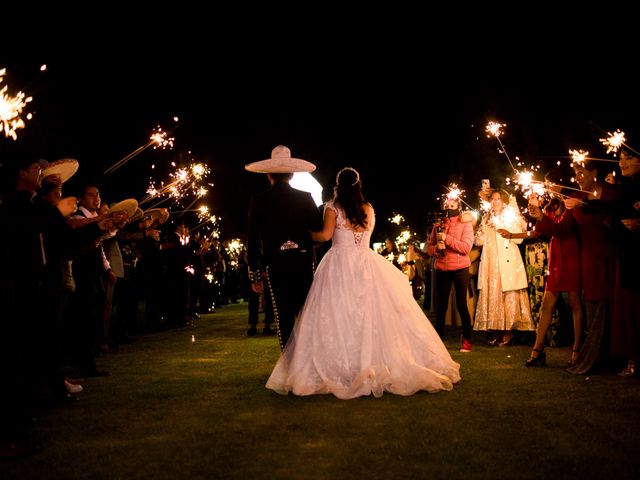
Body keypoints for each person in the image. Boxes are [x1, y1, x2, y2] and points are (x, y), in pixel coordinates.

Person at [265, 167, 460, 399]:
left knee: (339, 314)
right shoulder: (368, 208)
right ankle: (371, 361)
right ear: (359, 186)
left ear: (338, 186)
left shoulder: (333, 207)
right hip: (367, 262)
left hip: (338, 263)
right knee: (370, 314)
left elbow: (325, 236)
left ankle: (345, 365)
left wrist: (300, 234)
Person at [245, 145, 324, 351]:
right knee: (308, 313)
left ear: (269, 174)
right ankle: (310, 362)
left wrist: (254, 273)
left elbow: (252, 239)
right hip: (303, 262)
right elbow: (318, 231)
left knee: (283, 315)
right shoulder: (305, 197)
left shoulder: (259, 200)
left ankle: (289, 365)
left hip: (275, 263)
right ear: (291, 174)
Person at [473, 189, 535, 346]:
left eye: (499, 199)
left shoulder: (510, 216)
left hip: (507, 262)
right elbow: (478, 242)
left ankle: (509, 332)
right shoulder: (487, 217)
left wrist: (500, 224)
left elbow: (519, 237)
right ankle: (498, 330)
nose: (495, 202)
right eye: (493, 199)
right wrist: (481, 228)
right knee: (496, 296)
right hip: (490, 263)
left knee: (508, 295)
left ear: (504, 202)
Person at [426, 195, 475, 352]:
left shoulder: (466, 224)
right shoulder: (438, 224)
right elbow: (429, 247)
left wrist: (446, 239)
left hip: (460, 269)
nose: (450, 206)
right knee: (441, 307)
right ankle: (439, 342)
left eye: (453, 203)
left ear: (458, 205)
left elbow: (466, 248)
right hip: (442, 268)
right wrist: (436, 249)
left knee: (461, 304)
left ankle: (467, 339)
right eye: (448, 203)